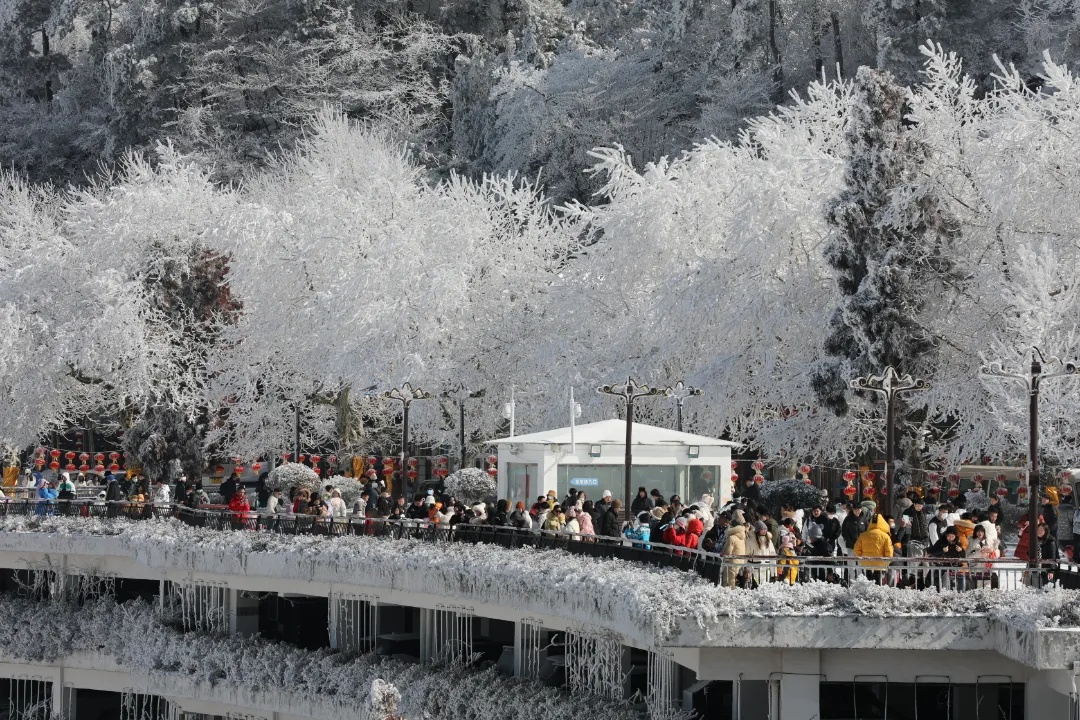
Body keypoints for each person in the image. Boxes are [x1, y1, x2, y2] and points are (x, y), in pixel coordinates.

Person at [853, 514, 893, 584]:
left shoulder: (863, 535)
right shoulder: (885, 536)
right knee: (878, 585)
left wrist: (862, 560)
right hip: (880, 566)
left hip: (866, 566)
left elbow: (856, 550)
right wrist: (885, 563)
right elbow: (889, 553)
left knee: (868, 586)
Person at [721, 510, 747, 588]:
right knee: (736, 581)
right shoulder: (742, 536)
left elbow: (728, 552)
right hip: (740, 561)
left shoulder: (731, 538)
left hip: (731, 562)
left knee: (729, 581)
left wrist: (723, 553)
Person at [746, 522, 776, 586]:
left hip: (766, 569)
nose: (764, 531)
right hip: (754, 570)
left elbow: (772, 555)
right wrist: (746, 569)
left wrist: (774, 572)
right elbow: (746, 556)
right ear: (757, 530)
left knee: (765, 589)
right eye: (762, 529)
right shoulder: (750, 541)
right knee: (755, 588)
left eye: (765, 529)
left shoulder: (769, 541)